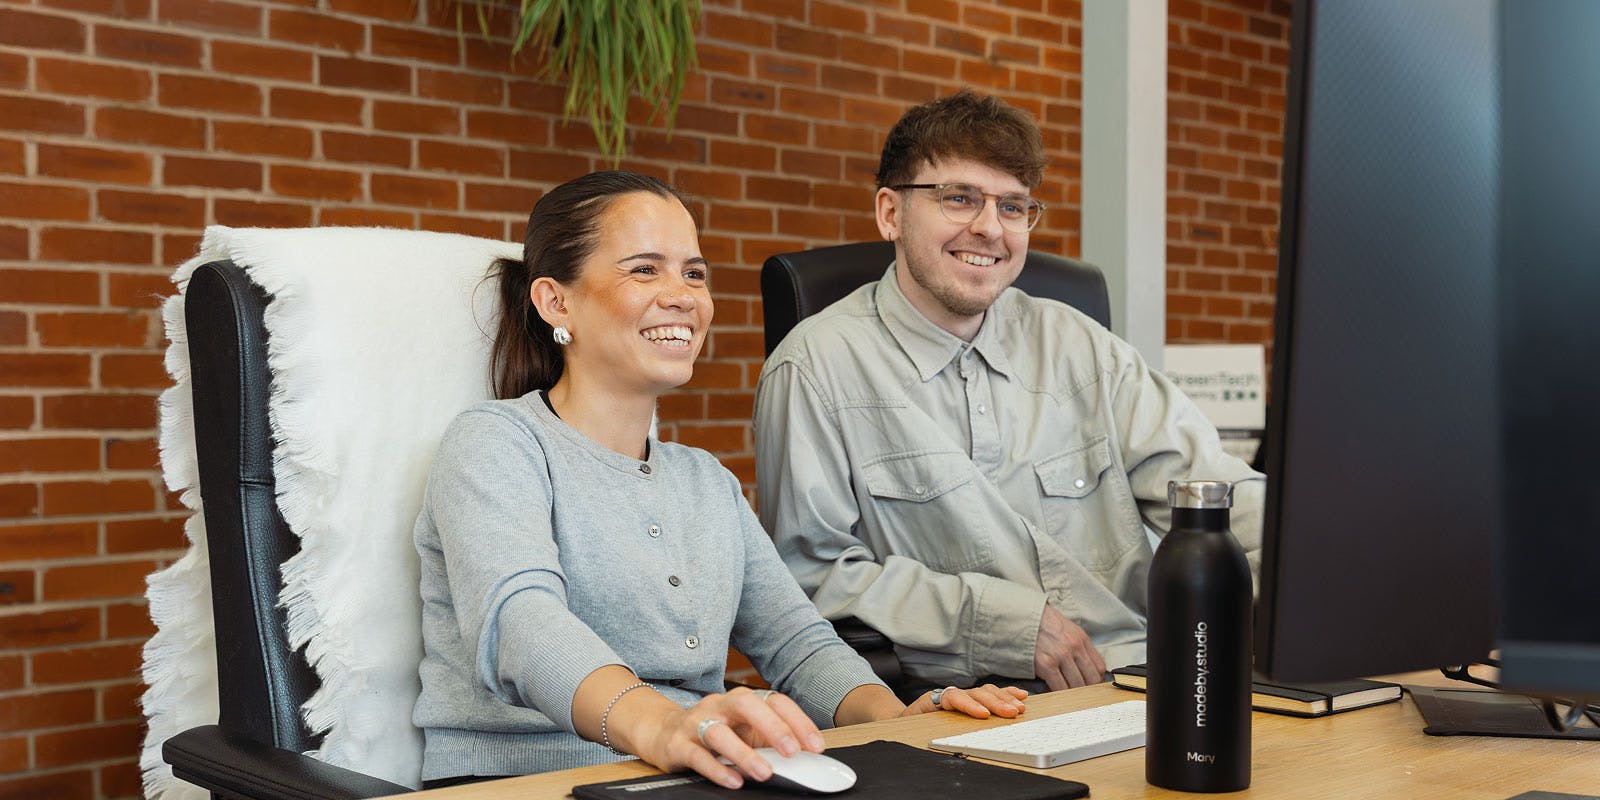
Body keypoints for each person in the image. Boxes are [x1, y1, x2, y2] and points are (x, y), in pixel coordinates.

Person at [412, 171, 1027, 790]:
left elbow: (797, 643)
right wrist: (662, 726)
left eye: (695, 273)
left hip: (694, 778)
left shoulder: (704, 479)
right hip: (527, 783)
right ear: (555, 301)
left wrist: (901, 725)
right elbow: (522, 625)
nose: (683, 295)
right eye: (645, 270)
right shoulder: (495, 442)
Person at [754, 91, 1265, 696]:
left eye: (1013, 206)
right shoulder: (816, 368)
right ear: (890, 214)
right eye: (959, 198)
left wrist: (1315, 563)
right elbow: (808, 577)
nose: (990, 229)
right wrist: (1007, 625)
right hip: (971, 704)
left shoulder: (1080, 345)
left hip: (1147, 680)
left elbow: (1211, 489)